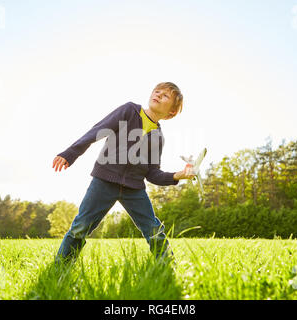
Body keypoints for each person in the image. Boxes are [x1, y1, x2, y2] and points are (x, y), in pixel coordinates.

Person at [52, 82, 195, 263]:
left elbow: (153, 173)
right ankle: (60, 268)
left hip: (134, 189)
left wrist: (177, 175)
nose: (158, 95)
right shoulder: (129, 111)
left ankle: (168, 267)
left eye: (165, 96)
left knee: (154, 230)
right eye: (157, 91)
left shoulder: (158, 137)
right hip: (104, 181)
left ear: (171, 113)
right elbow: (97, 130)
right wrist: (71, 153)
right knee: (80, 227)